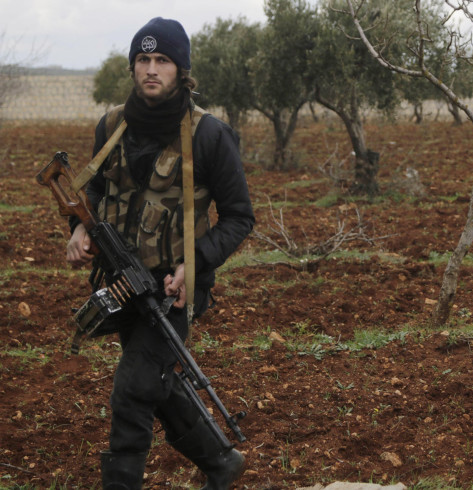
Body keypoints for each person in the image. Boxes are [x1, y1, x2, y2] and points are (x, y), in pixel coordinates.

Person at [65, 17, 255, 488]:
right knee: (157, 382)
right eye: (143, 60)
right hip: (119, 284)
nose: (151, 69)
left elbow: (239, 217)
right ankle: (221, 463)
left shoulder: (210, 135)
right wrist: (77, 230)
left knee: (132, 389)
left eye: (162, 60)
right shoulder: (112, 126)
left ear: (181, 70)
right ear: (133, 67)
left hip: (173, 292)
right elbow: (88, 198)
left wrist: (197, 263)